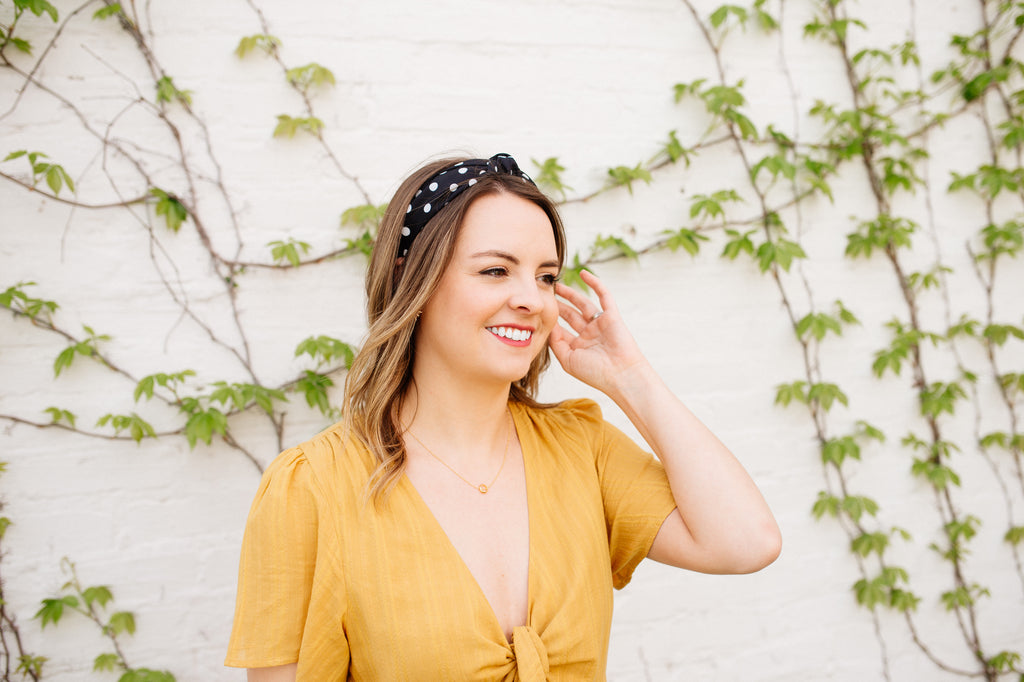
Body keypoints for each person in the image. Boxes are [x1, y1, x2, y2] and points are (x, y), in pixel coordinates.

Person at [225, 153, 781, 681]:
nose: (531, 300)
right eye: (495, 271)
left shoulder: (581, 448)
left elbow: (745, 542)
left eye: (545, 276)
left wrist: (629, 377)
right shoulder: (309, 490)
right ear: (410, 281)